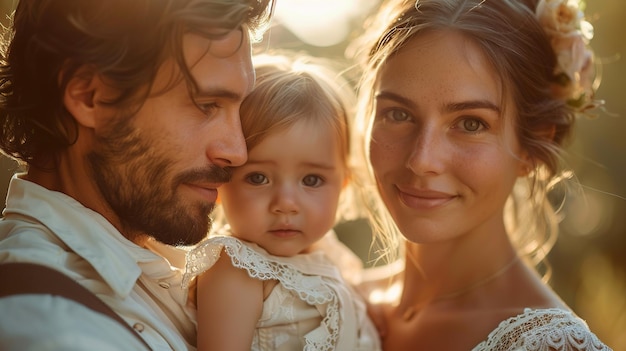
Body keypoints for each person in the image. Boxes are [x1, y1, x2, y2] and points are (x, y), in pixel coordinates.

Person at [0, 0, 273, 350]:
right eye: (206, 105)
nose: (237, 152)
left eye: (241, 109)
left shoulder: (162, 264)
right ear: (90, 97)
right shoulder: (52, 327)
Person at [349, 0, 613, 350]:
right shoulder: (328, 299)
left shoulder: (551, 346)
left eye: (471, 123)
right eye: (397, 114)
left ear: (531, 148)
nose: (421, 160)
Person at [182, 53, 381, 351]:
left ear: (342, 185)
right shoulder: (237, 270)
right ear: (221, 182)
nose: (286, 203)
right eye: (258, 178)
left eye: (311, 180)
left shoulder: (327, 254)